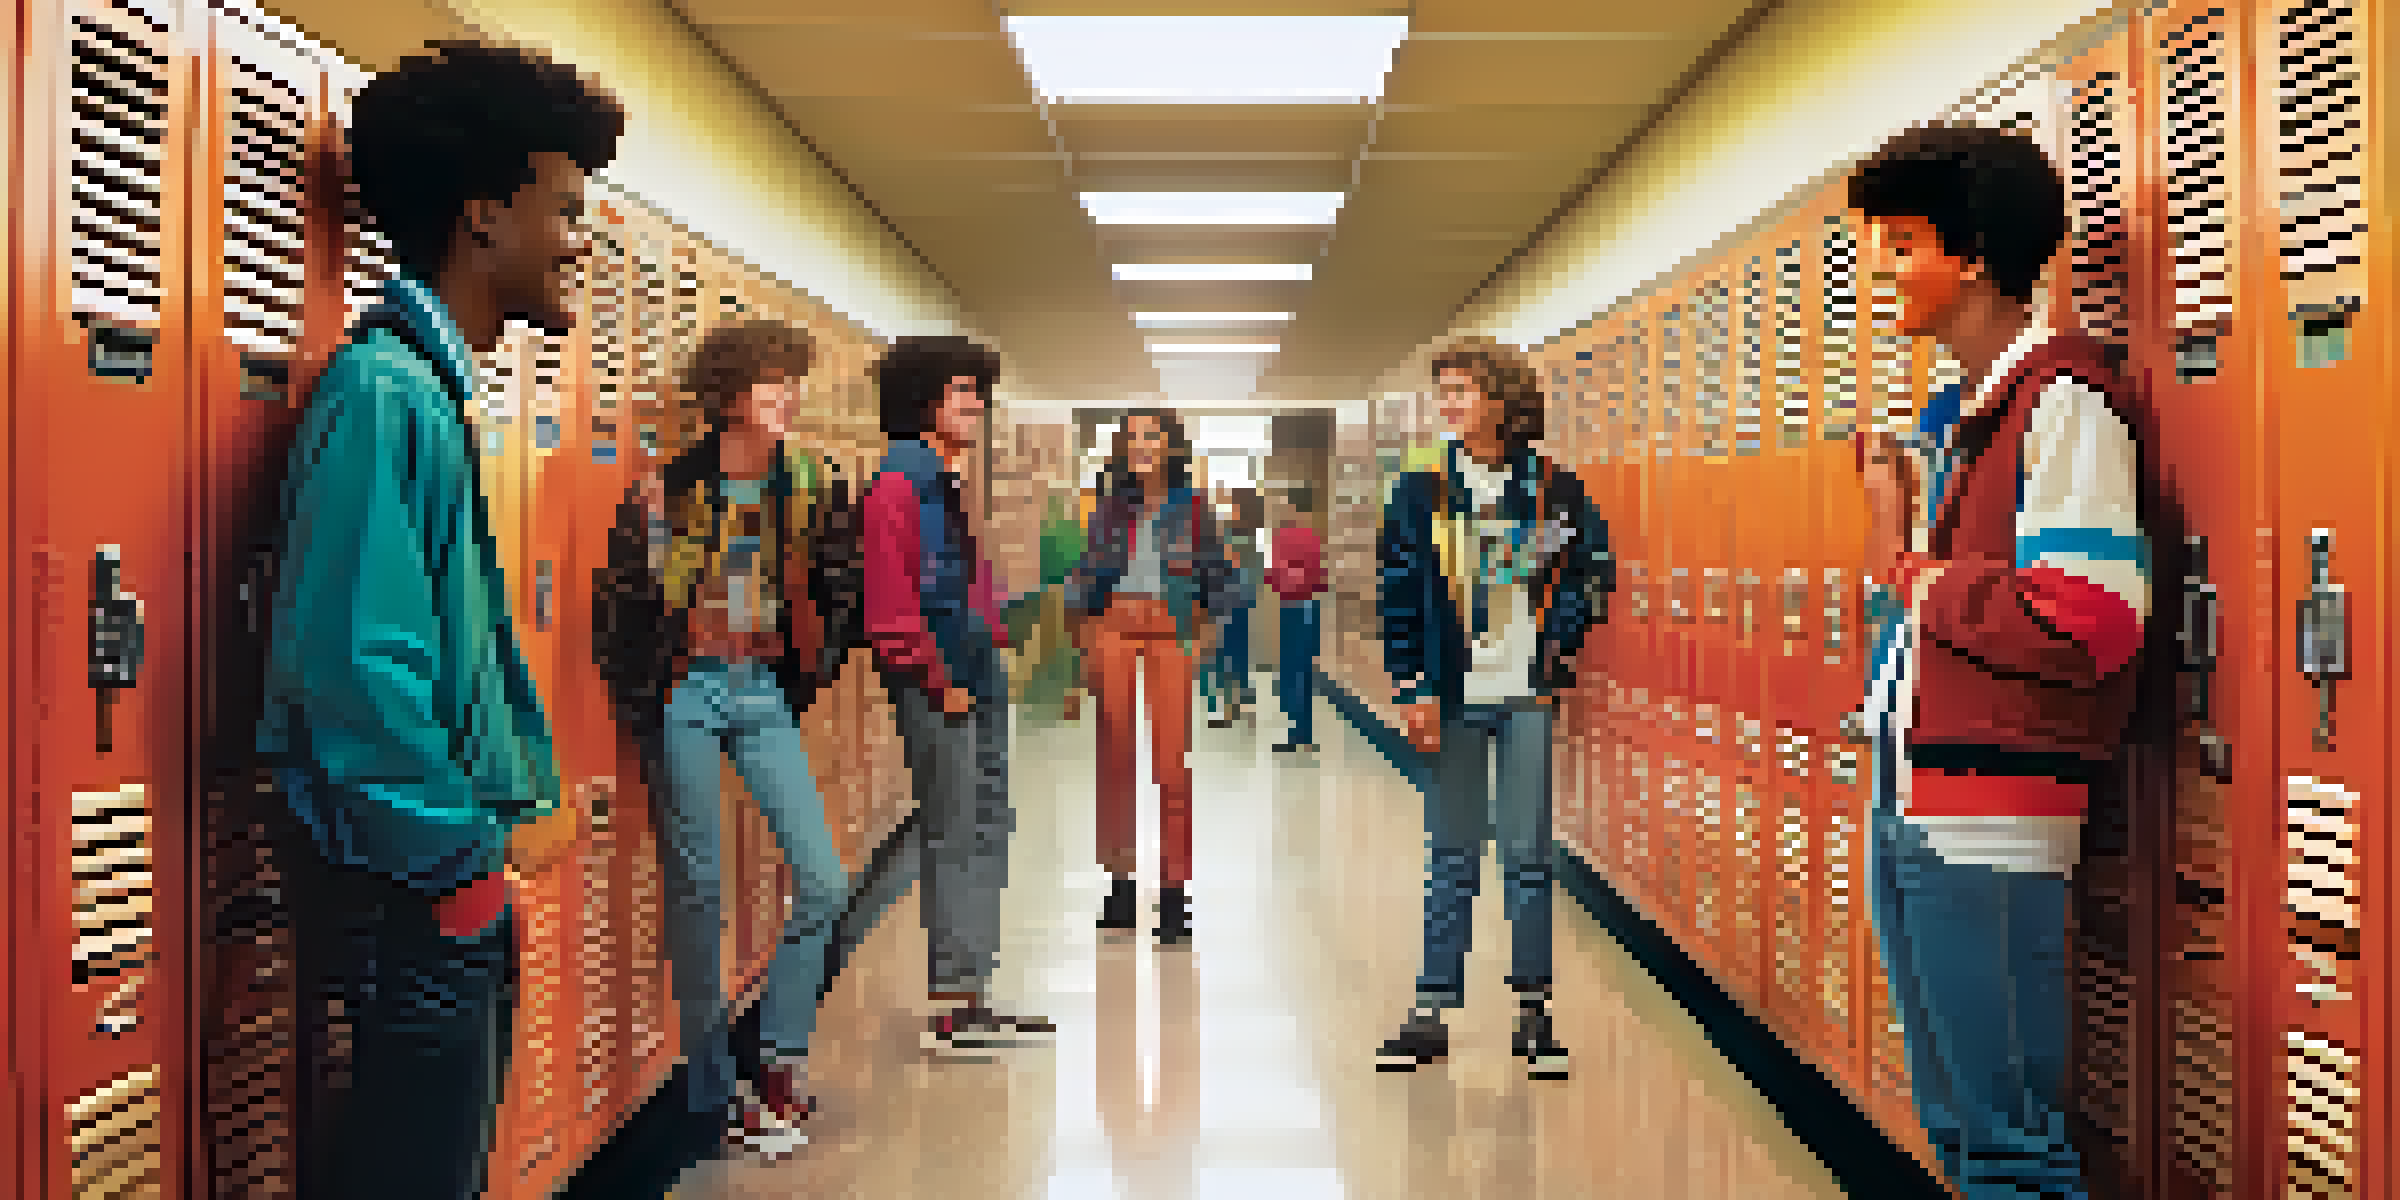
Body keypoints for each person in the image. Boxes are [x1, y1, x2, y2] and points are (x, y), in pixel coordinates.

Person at [253, 40, 622, 1199]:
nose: (580, 238)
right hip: (415, 899)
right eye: (564, 208)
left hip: (434, 893)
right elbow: (356, 668)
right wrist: (465, 861)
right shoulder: (383, 396)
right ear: (482, 218)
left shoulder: (422, 390)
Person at [1850, 122, 2153, 1199]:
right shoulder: (1978, 413)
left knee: (2010, 1145)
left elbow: (2089, 618)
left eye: (1901, 243)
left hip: (1990, 825)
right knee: (1964, 1134)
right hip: (1921, 801)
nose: (1883, 269)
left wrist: (1905, 564)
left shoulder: (2062, 401)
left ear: (1972, 256)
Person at [590, 319, 858, 1159]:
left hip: (762, 691)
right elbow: (621, 610)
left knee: (821, 878)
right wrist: (652, 697)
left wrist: (807, 676)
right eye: (772, 383)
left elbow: (839, 583)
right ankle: (711, 1091)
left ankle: (776, 1057)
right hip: (691, 693)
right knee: (696, 896)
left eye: (792, 382)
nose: (788, 397)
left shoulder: (811, 482)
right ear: (728, 397)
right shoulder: (665, 494)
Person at [1374, 337, 1613, 1081]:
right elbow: (1399, 593)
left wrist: (1557, 638)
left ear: (1502, 399)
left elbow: (1592, 569)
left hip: (1524, 695)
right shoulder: (1422, 491)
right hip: (1452, 695)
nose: (1448, 403)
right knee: (1450, 854)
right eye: (1442, 390)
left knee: (1527, 857)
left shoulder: (1551, 490)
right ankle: (1431, 1007)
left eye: (1462, 390)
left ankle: (1533, 1012)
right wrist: (1411, 685)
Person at [862, 335, 1056, 1050]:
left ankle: (972, 991)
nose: (976, 403)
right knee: (954, 834)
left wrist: (992, 631)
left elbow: (959, 577)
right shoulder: (897, 486)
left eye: (978, 391)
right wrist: (939, 681)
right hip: (941, 686)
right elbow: (890, 613)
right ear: (924, 402)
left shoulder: (943, 480)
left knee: (986, 826)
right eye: (961, 391)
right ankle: (954, 1002)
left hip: (975, 677)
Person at [1065, 410, 1234, 945]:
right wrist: (1080, 656)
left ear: (1171, 446)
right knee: (1115, 756)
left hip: (1172, 630)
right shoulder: (1109, 508)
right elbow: (1088, 575)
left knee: (1170, 762)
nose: (1142, 445)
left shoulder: (1193, 508)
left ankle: (1174, 890)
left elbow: (1222, 578)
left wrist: (1207, 634)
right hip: (1112, 627)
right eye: (1132, 436)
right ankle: (1120, 884)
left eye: (1152, 435)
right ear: (1122, 447)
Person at [1267, 522, 1325, 754]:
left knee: (1292, 673)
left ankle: (1297, 734)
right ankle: (1304, 735)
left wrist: (1274, 580)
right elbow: (1318, 574)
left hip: (1292, 607)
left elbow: (1276, 575)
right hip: (1310, 606)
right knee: (1303, 672)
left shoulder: (1285, 536)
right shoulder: (1313, 534)